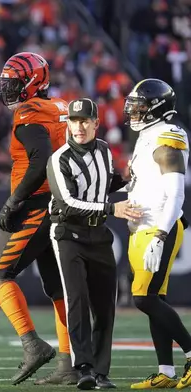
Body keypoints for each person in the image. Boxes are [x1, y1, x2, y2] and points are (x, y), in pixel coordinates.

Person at [0, 51, 76, 385]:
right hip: (63, 202)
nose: (8, 89)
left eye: (15, 82)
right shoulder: (62, 107)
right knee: (56, 286)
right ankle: (68, 364)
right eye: (5, 83)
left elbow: (40, 161)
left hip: (38, 204)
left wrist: (14, 200)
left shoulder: (30, 111)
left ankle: (32, 344)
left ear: (34, 81)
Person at [46, 98, 139, 390]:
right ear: (68, 124)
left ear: (96, 124)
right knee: (78, 299)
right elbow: (69, 202)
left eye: (85, 120)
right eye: (74, 121)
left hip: (98, 234)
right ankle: (83, 367)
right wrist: (113, 209)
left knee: (105, 305)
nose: (79, 126)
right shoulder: (59, 159)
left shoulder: (103, 151)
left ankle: (101, 371)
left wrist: (132, 180)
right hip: (68, 234)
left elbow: (106, 183)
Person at [122, 78, 191, 389]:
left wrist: (162, 235)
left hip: (157, 227)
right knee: (154, 298)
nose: (133, 111)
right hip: (141, 227)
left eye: (139, 105)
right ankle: (166, 370)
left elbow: (176, 193)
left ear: (156, 107)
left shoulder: (168, 135)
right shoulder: (147, 136)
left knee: (143, 298)